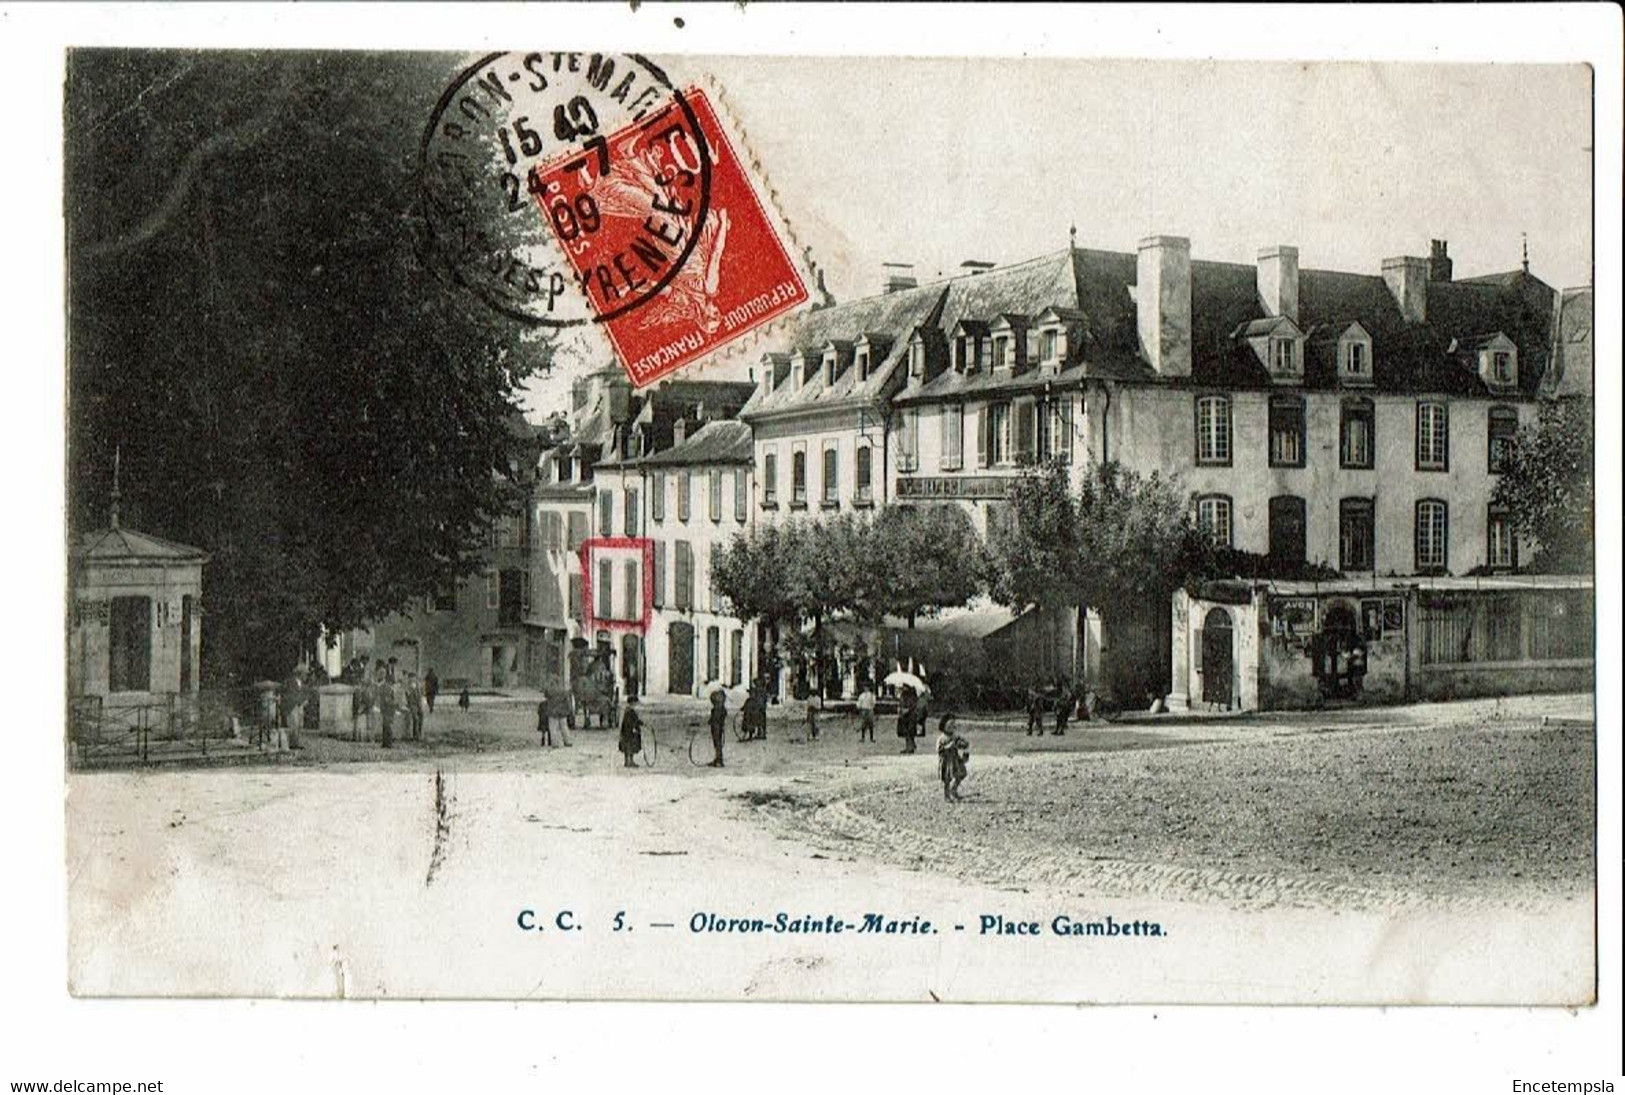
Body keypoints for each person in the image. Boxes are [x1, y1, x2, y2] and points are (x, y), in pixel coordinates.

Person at [935, 714, 969, 801]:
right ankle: (946, 795)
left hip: (955, 758)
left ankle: (954, 789)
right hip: (946, 760)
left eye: (953, 725)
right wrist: (949, 746)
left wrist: (964, 745)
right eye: (949, 725)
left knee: (962, 773)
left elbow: (962, 744)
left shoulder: (955, 736)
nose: (952, 727)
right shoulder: (942, 738)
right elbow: (939, 750)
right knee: (947, 778)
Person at [618, 695, 644, 768]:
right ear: (632, 703)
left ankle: (627, 761)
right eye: (636, 703)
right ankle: (630, 762)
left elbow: (635, 720)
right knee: (631, 747)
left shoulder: (628, 710)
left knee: (628, 747)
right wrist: (634, 728)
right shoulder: (630, 711)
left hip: (626, 732)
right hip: (630, 732)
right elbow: (630, 722)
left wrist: (642, 723)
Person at [707, 689, 727, 767]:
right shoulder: (721, 709)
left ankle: (719, 760)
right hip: (718, 728)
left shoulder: (717, 710)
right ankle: (718, 758)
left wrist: (711, 721)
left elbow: (716, 719)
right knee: (717, 743)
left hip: (716, 728)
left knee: (717, 744)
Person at [897, 686, 918, 754]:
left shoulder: (911, 696)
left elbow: (912, 706)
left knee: (909, 732)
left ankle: (910, 747)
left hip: (909, 716)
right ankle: (909, 746)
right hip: (904, 716)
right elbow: (901, 704)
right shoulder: (903, 695)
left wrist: (906, 710)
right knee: (906, 732)